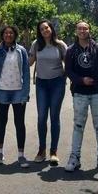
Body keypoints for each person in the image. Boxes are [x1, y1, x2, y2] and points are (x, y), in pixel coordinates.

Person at [64, 21, 98, 175]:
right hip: (79, 93)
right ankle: (75, 158)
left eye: (85, 28)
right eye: (80, 28)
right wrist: (81, 80)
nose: (82, 30)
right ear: (76, 31)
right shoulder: (71, 50)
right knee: (78, 126)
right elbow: (68, 71)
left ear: (89, 30)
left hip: (97, 93)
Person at [0, 25, 30, 168]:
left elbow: (26, 72)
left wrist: (25, 93)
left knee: (20, 123)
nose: (8, 35)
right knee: (1, 122)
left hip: (18, 92)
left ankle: (21, 155)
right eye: (6, 33)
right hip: (2, 91)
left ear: (15, 35)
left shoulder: (21, 51)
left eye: (11, 33)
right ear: (2, 35)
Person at [29, 20, 67, 166]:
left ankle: (54, 152)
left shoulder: (60, 45)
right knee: (41, 117)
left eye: (47, 27)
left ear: (51, 28)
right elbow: (30, 62)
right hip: (41, 84)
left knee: (54, 116)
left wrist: (68, 77)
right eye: (41, 29)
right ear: (39, 31)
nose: (45, 30)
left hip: (57, 83)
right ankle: (41, 150)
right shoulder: (36, 44)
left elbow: (68, 63)